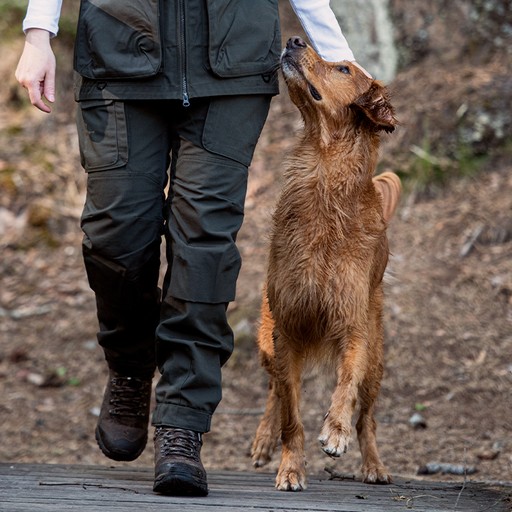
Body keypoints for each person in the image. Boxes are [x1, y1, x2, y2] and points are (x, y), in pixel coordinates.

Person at [15, 0, 368, 498]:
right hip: (120, 51)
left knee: (204, 242)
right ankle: (131, 366)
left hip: (233, 66)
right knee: (115, 234)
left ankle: (182, 424)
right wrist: (38, 31)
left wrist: (339, 59)